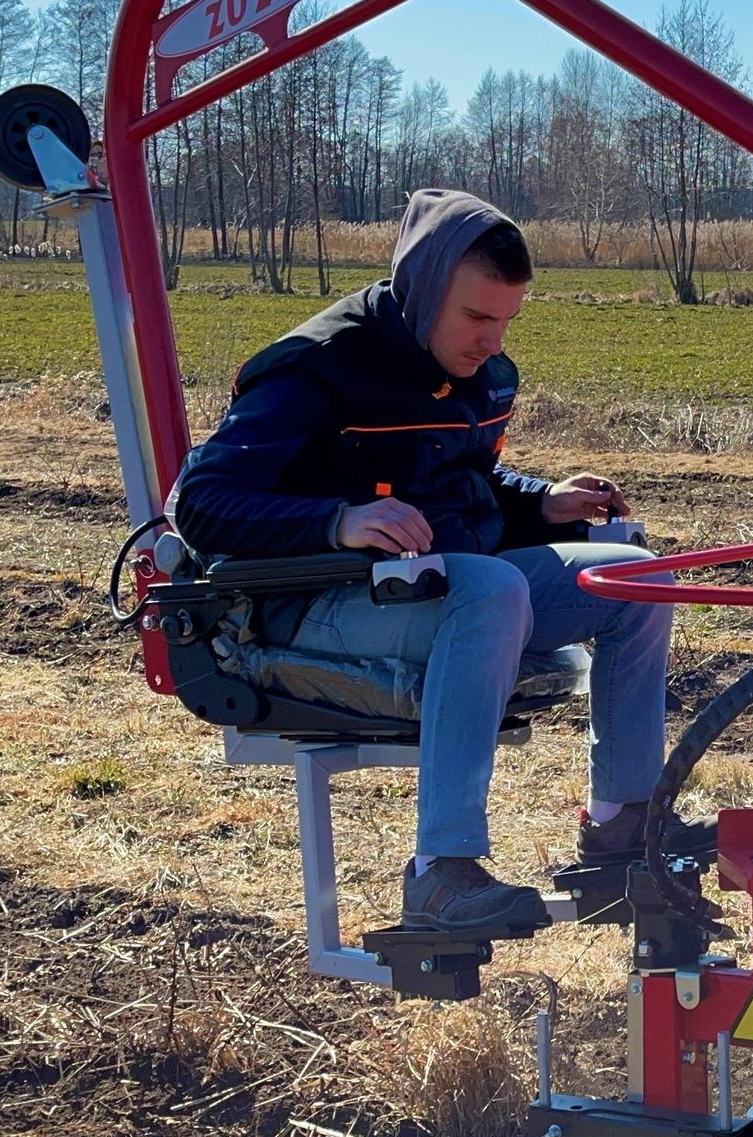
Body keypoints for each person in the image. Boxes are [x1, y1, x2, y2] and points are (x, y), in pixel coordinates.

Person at [169, 189, 714, 934]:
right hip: (306, 605)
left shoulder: (478, 374)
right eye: (477, 318)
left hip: (427, 589)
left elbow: (460, 486)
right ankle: (441, 872)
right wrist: (339, 520)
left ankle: (622, 828)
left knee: (633, 576)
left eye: (507, 321)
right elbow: (201, 504)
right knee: (489, 587)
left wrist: (540, 502)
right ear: (422, 289)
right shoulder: (316, 370)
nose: (493, 342)